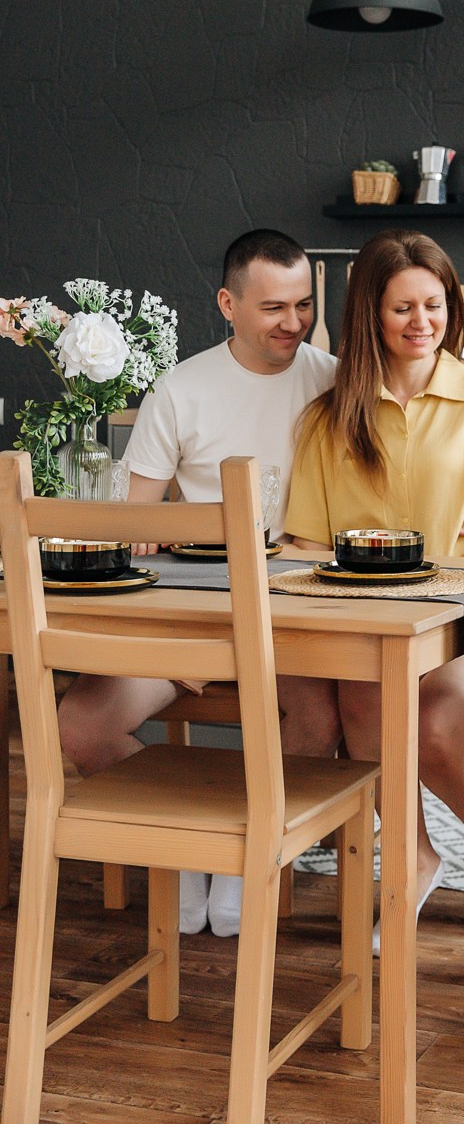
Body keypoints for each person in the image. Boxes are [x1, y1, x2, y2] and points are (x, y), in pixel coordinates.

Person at [57, 228, 341, 935]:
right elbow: (130, 526)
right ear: (227, 304)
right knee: (80, 726)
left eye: (303, 305)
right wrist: (147, 535)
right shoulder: (180, 388)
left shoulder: (336, 382)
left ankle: (249, 860)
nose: (293, 322)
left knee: (318, 721)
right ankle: (183, 854)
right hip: (196, 614)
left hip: (298, 615)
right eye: (273, 307)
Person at [285, 228, 464, 944]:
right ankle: (412, 859)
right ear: (369, 315)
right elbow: (305, 546)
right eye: (402, 308)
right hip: (371, 630)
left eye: (434, 305)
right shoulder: (328, 419)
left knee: (430, 716)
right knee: (365, 689)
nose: (422, 322)